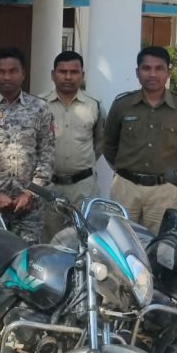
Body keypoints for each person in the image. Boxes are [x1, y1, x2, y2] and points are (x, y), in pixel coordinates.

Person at [0, 47, 55, 244]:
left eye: (13, 71)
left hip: (29, 208)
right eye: (1, 71)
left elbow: (46, 154)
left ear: (23, 73)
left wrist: (31, 193)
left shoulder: (40, 108)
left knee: (28, 258)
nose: (6, 77)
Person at [104, 46, 177, 233]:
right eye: (146, 68)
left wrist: (172, 172)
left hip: (164, 190)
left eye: (159, 68)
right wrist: (125, 169)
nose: (152, 74)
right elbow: (108, 143)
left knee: (159, 242)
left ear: (168, 72)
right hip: (126, 187)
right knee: (120, 239)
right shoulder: (122, 104)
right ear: (137, 72)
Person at [40, 51, 104, 241]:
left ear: (82, 75)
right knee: (49, 240)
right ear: (53, 75)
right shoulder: (39, 105)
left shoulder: (94, 106)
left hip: (83, 187)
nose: (68, 77)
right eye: (62, 71)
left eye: (74, 72)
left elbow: (101, 142)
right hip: (48, 186)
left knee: (84, 239)